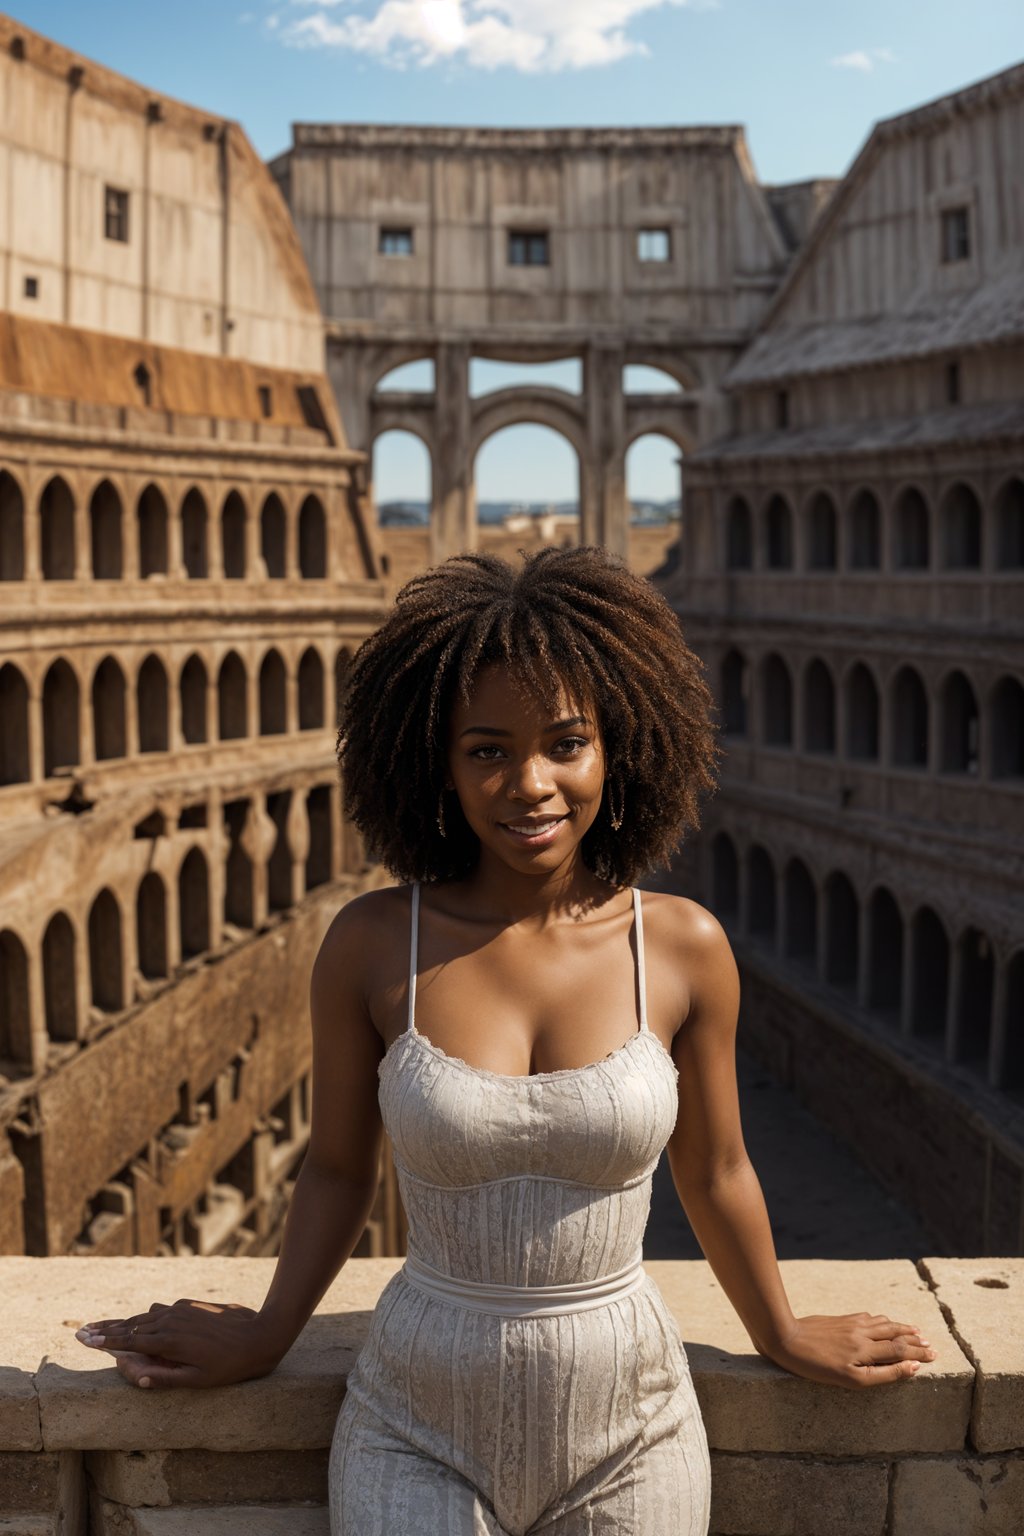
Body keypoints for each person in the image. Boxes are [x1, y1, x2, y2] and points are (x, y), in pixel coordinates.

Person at [77, 548, 937, 1534]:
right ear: (436, 766)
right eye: (486, 749)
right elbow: (336, 1171)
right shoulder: (371, 941)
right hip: (413, 1421)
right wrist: (273, 1331)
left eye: (565, 743)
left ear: (619, 748)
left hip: (634, 1423)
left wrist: (778, 1330)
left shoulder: (682, 946)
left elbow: (718, 1170)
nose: (529, 784)